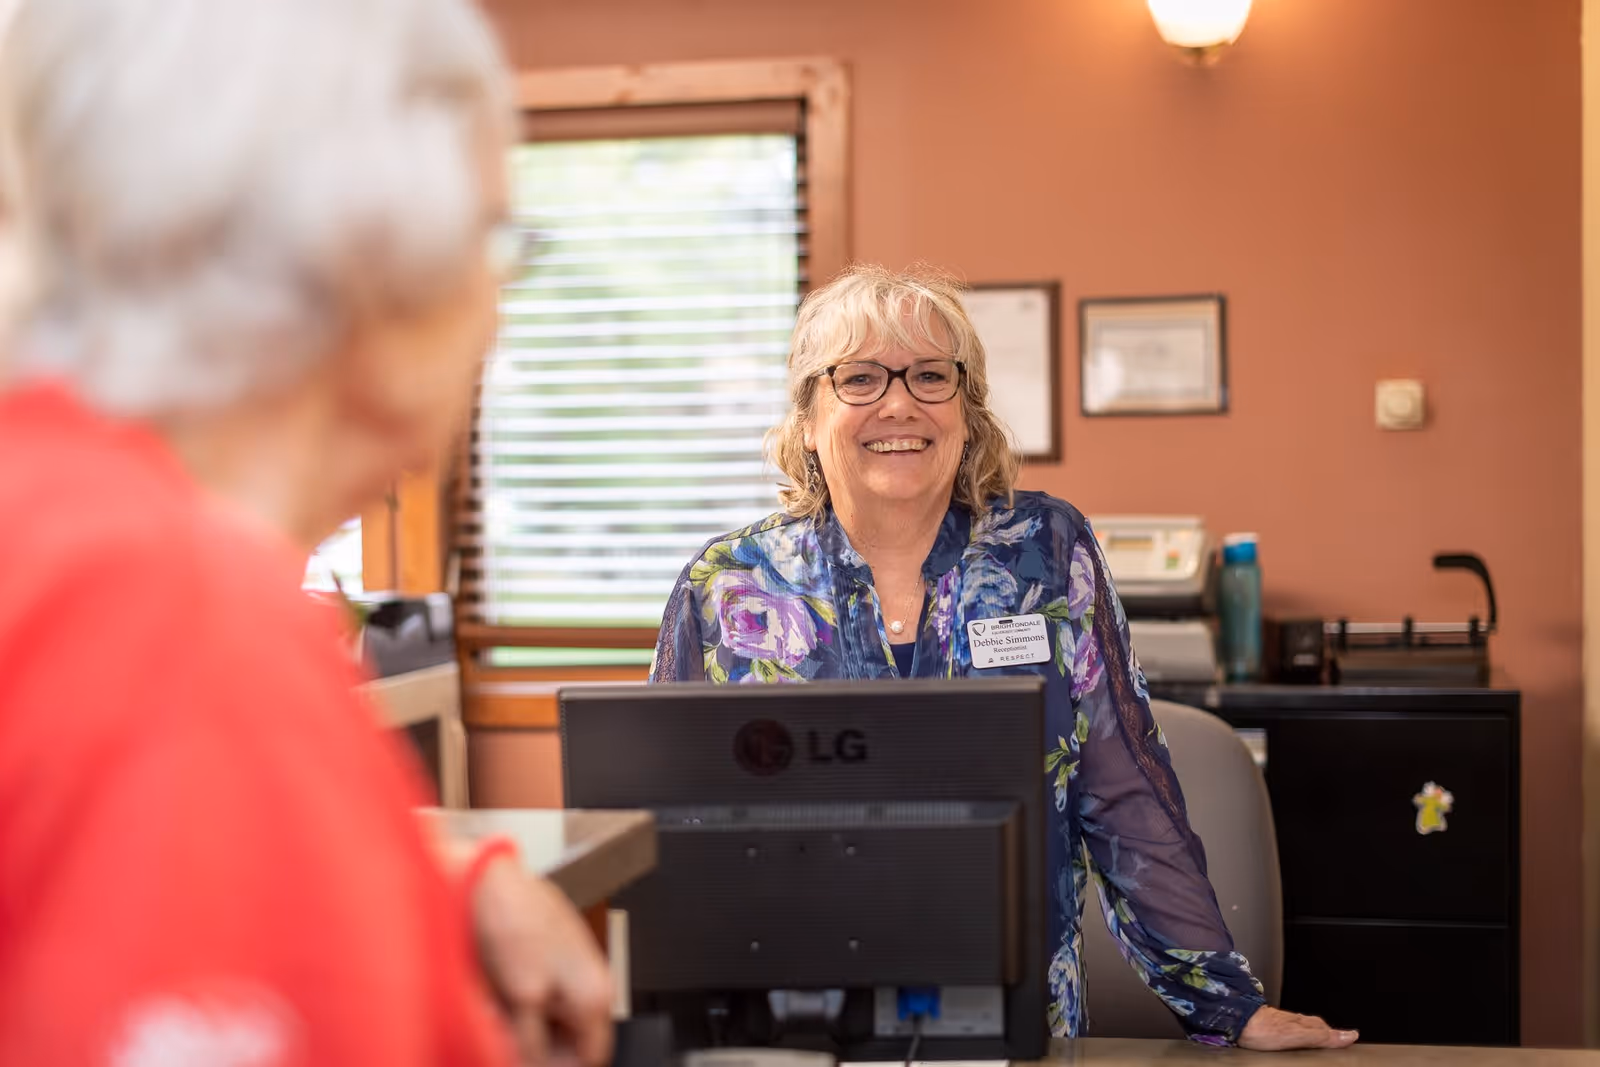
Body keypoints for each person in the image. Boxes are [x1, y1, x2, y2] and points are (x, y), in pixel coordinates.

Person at [0, 1, 612, 1064]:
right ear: (374, 264)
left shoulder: (62, 521)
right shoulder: (174, 620)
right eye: (493, 240)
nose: (497, 308)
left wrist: (447, 881)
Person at [651, 264, 1357, 1052]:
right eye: (859, 378)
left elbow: (1126, 795)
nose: (899, 403)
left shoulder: (1047, 556)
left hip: (1014, 1030)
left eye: (930, 376)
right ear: (809, 418)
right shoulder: (730, 588)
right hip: (790, 1034)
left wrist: (1228, 1005)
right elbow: (664, 831)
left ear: (967, 410)